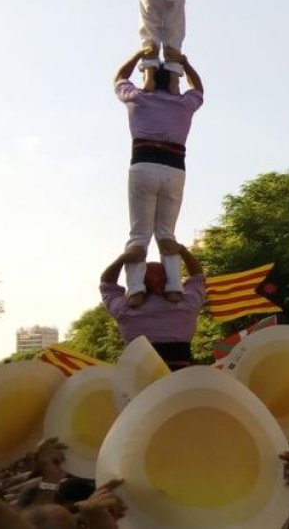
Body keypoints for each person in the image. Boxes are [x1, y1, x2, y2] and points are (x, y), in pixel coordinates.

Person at [112, 48, 204, 303]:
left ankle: (136, 290)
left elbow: (119, 78)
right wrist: (184, 61)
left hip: (143, 165)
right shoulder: (184, 104)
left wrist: (139, 53)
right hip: (174, 169)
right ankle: (174, 286)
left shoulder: (138, 98)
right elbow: (199, 90)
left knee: (139, 233)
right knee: (166, 232)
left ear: (148, 77)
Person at [99, 240, 205, 370]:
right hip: (180, 377)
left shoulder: (125, 310)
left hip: (140, 379)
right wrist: (181, 250)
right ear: (170, 281)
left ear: (139, 283)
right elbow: (198, 277)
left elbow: (107, 284)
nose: (155, 281)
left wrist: (123, 258)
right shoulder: (187, 305)